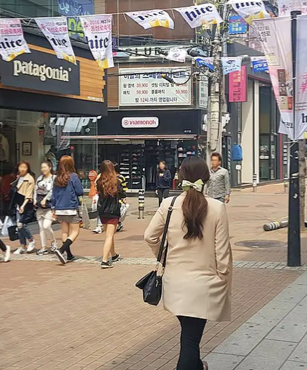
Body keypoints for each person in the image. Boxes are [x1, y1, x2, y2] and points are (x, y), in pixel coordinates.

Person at [144, 157, 232, 370]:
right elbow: (223, 253)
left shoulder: (169, 204)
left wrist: (163, 257)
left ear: (180, 177)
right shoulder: (217, 207)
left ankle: (198, 366)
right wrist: (223, 278)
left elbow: (149, 236)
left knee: (189, 335)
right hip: (205, 284)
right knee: (191, 340)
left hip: (174, 283)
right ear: (206, 178)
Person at [52, 155, 84, 264]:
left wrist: (53, 208)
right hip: (71, 207)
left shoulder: (57, 178)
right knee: (75, 232)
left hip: (59, 208)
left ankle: (69, 255)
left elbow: (54, 195)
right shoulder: (73, 177)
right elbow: (80, 191)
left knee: (64, 232)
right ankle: (61, 250)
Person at [96, 160, 127, 269]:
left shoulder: (99, 181)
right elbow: (122, 193)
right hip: (113, 211)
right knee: (109, 236)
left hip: (102, 211)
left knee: (109, 234)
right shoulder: (116, 181)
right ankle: (105, 260)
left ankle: (113, 255)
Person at [12, 162, 37, 255]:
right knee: (19, 227)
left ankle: (31, 240)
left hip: (26, 205)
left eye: (24, 167)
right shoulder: (18, 178)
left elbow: (29, 194)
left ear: (28, 168)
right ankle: (22, 246)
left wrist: (23, 205)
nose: (22, 169)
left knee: (21, 225)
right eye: (21, 167)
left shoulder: (29, 179)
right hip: (18, 204)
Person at [35, 161, 57, 255]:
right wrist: (34, 200)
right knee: (41, 228)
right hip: (39, 206)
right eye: (42, 167)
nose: (43, 169)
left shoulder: (54, 178)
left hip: (49, 206)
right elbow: (35, 190)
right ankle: (43, 247)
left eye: (45, 167)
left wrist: (45, 199)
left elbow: (53, 191)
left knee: (46, 226)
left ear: (50, 167)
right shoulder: (39, 178)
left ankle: (53, 241)